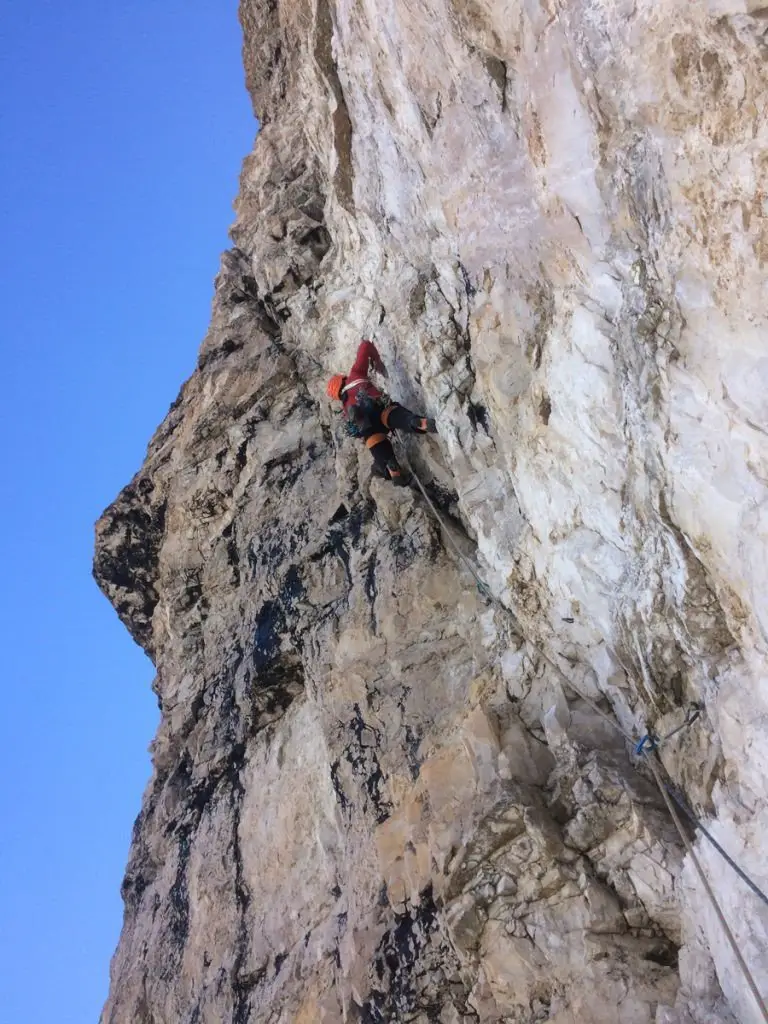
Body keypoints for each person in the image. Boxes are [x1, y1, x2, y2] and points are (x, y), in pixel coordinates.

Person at [327, 340, 436, 486]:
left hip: (367, 424)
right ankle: (418, 422)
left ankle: (392, 467)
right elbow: (365, 345)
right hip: (378, 408)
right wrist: (377, 362)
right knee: (390, 414)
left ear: (338, 396)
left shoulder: (346, 407)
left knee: (372, 438)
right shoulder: (355, 375)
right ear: (343, 378)